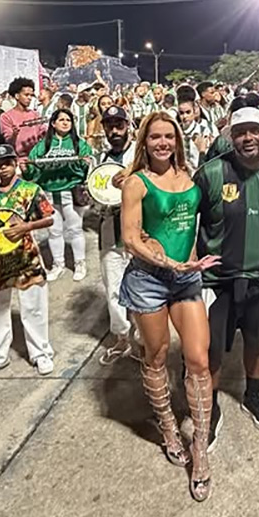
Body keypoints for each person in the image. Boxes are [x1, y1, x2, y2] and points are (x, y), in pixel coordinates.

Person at [119, 112, 218, 502]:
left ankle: (201, 449)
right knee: (156, 357)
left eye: (169, 136)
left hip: (187, 277)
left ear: (178, 140)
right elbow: (130, 239)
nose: (163, 143)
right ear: (144, 141)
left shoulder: (191, 178)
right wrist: (166, 262)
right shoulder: (135, 183)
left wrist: (187, 263)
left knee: (198, 360)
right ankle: (168, 428)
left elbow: (193, 224)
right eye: (155, 137)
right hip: (148, 280)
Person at [194, 105, 259, 445]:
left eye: (255, 131)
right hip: (217, 281)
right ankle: (211, 404)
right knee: (211, 350)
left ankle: (252, 395)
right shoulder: (210, 173)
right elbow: (182, 213)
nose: (248, 138)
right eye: (240, 132)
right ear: (230, 136)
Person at [0, 144, 56, 378]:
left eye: (7, 163)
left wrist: (27, 227)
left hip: (25, 256)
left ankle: (41, 353)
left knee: (33, 306)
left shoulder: (30, 190)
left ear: (15, 163)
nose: (3, 168)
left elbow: (49, 217)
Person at [26, 107, 92, 282]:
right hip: (49, 193)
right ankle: (58, 264)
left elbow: (86, 169)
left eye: (68, 120)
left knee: (75, 229)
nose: (65, 123)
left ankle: (80, 263)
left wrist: (84, 164)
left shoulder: (79, 144)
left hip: (71, 193)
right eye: (61, 120)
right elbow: (32, 172)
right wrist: (26, 168)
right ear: (53, 123)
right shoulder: (42, 145)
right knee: (54, 231)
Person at [95, 106, 138, 364]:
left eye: (118, 125)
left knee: (142, 287)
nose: (114, 131)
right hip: (110, 229)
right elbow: (95, 194)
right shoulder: (99, 160)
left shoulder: (140, 156)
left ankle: (145, 341)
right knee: (113, 286)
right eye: (109, 126)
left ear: (128, 126)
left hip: (140, 231)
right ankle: (122, 338)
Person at [0, 78, 45, 168]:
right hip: (17, 162)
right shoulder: (6, 117)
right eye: (26, 95)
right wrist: (14, 135)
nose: (29, 98)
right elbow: (8, 140)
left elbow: (43, 133)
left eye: (31, 95)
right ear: (17, 96)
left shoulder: (35, 115)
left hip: (36, 160)